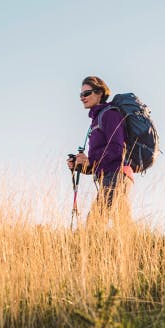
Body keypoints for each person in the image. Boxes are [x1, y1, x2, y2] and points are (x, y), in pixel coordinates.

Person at [66, 75, 133, 223]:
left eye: (86, 93)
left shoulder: (110, 114)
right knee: (123, 226)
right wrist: (80, 165)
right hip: (111, 176)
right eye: (81, 95)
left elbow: (117, 149)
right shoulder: (96, 120)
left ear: (99, 93)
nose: (82, 98)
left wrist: (90, 161)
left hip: (117, 175)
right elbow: (97, 162)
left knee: (94, 223)